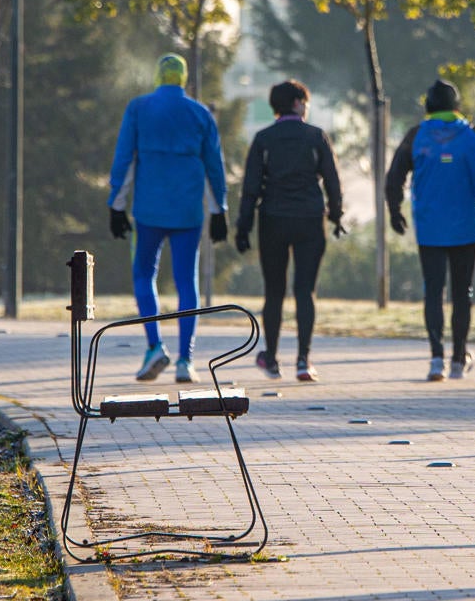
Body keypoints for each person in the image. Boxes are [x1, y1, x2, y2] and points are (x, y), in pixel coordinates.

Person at [109, 53, 230, 383]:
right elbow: (214, 167)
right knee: (185, 281)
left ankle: (154, 346)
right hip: (188, 211)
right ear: (184, 79)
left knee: (143, 274)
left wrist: (116, 205)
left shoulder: (138, 109)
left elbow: (124, 160)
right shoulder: (200, 113)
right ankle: (185, 360)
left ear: (157, 77)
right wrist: (220, 209)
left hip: (148, 209)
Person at [384, 79, 475, 381]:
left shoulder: (416, 135)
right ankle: (458, 359)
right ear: (456, 106)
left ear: (428, 106)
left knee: (433, 291)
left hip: (430, 228)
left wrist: (395, 209)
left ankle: (436, 358)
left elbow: (394, 176)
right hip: (466, 226)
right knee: (463, 293)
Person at [235, 80, 344, 381]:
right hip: (310, 219)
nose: (306, 107)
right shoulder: (316, 136)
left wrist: (243, 226)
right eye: (305, 102)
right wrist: (336, 214)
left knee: (274, 291)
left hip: (273, 219)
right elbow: (332, 181)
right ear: (296, 103)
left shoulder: (263, 139)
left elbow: (251, 188)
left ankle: (270, 359)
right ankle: (303, 360)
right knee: (305, 290)